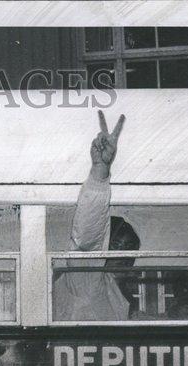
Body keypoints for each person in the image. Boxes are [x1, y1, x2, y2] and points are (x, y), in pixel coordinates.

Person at [52, 111, 141, 322]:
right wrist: (100, 172)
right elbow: (87, 241)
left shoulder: (117, 292)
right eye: (117, 248)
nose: (123, 258)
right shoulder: (87, 280)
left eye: (128, 252)